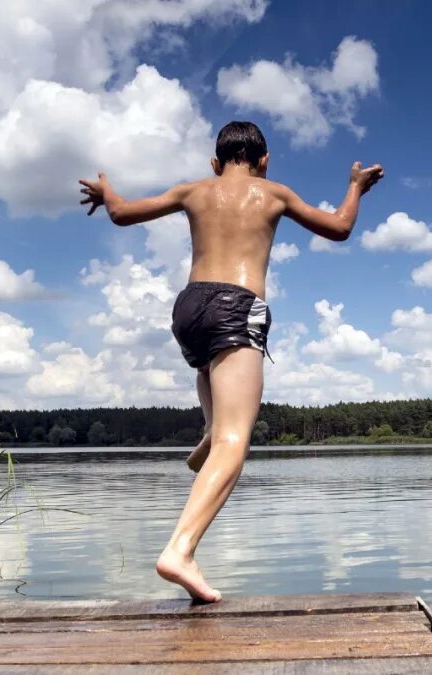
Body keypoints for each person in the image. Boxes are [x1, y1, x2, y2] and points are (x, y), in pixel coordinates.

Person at [78, 121, 384, 602]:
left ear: (215, 163)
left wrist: (106, 190)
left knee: (209, 378)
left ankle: (207, 429)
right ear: (264, 161)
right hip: (236, 307)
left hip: (189, 308)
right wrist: (354, 187)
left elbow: (119, 214)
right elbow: (341, 227)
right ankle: (180, 550)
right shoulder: (274, 192)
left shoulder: (193, 189)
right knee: (235, 440)